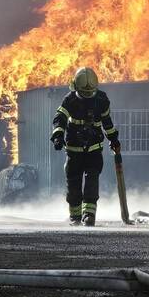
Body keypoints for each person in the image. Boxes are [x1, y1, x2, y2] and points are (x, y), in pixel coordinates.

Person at [50, 67, 120, 226]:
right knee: (73, 181)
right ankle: (75, 216)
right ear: (75, 87)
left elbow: (107, 123)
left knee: (92, 179)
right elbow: (59, 118)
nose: (88, 96)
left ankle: (89, 215)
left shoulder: (102, 100)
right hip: (74, 149)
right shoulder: (70, 100)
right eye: (84, 93)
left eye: (90, 93)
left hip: (94, 149)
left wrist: (113, 139)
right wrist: (57, 136)